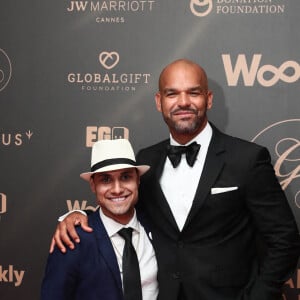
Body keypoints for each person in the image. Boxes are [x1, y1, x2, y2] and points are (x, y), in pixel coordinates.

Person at [50, 59, 300, 300]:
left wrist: (260, 295)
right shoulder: (147, 159)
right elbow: (123, 210)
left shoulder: (246, 159)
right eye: (172, 94)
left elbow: (284, 238)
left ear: (209, 99)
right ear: (159, 102)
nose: (183, 102)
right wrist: (75, 216)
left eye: (193, 93)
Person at [41, 139, 158, 300]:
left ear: (137, 179)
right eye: (106, 180)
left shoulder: (157, 227)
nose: (117, 189)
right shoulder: (73, 238)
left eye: (125, 177)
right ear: (93, 185)